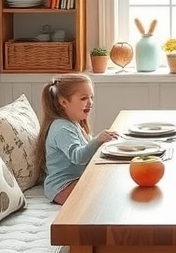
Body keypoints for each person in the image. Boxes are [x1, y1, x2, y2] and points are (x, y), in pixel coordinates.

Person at [37, 73, 119, 204]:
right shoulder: (62, 129)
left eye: (91, 97)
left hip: (74, 180)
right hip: (62, 187)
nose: (90, 103)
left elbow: (87, 148)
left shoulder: (74, 123)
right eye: (83, 98)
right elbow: (78, 157)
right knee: (108, 192)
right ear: (63, 102)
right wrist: (98, 140)